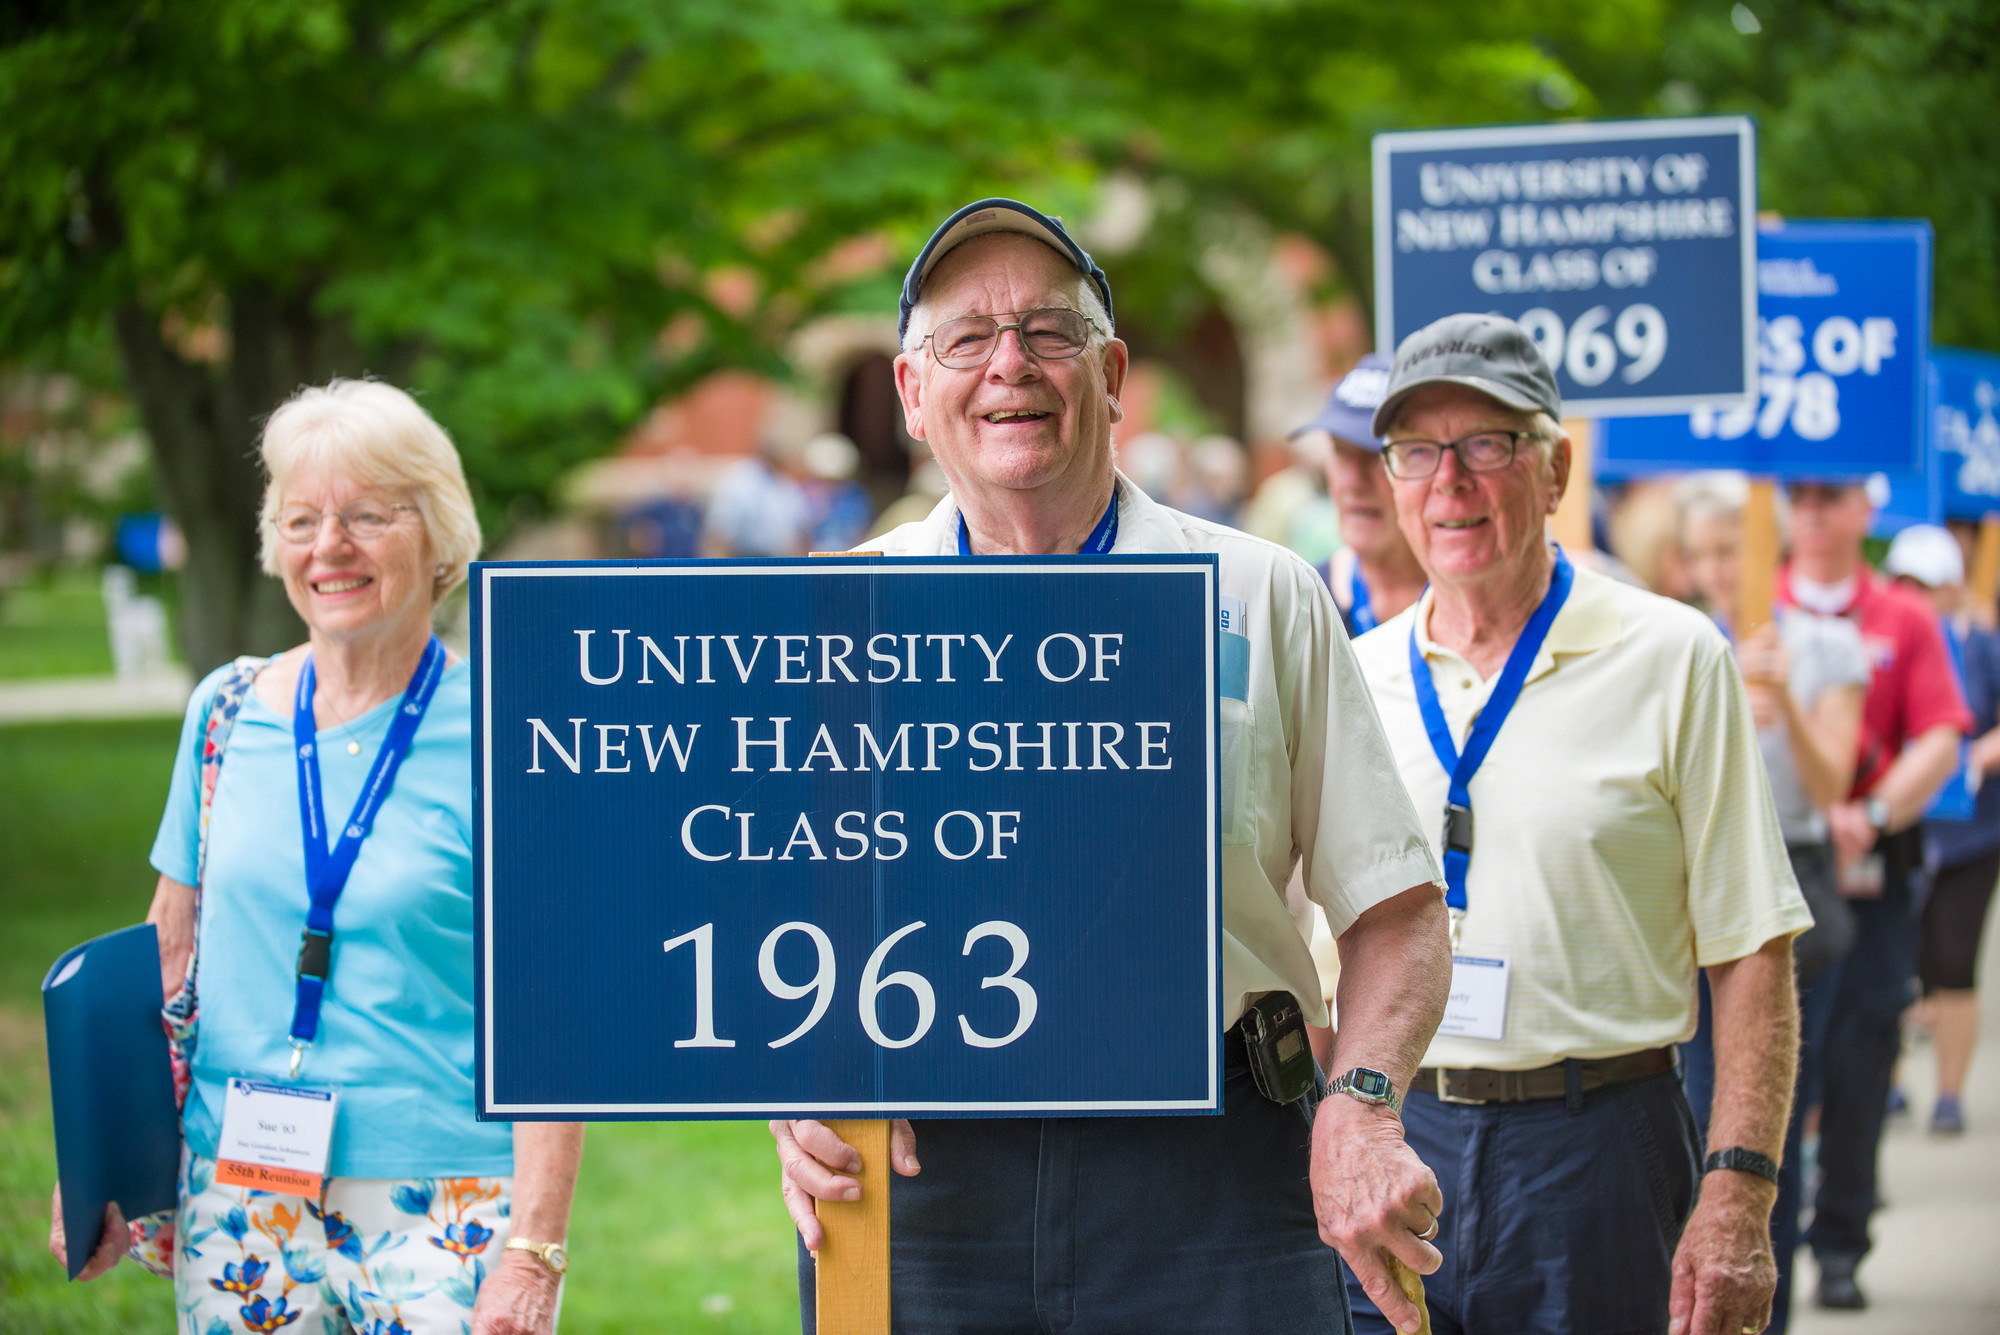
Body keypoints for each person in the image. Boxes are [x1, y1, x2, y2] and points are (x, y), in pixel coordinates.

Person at [770, 198, 1454, 1334]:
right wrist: (785, 1083)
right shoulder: (832, 616)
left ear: (1114, 374)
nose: (1009, 365)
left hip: (1216, 1171)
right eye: (965, 339)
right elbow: (762, 906)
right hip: (917, 1172)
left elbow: (1397, 909)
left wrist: (1364, 1103)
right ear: (910, 394)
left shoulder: (1261, 594)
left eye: (1048, 331)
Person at [49, 380, 584, 1335]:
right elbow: (166, 950)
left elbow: (554, 1015)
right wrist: (99, 1162)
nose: (329, 546)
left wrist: (534, 1250)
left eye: (367, 515)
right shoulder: (224, 711)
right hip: (238, 1189)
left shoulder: (510, 732)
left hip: (443, 1201)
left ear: (439, 534)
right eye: (301, 519)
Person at [1349, 314, 1814, 1335]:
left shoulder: (1673, 657)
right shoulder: (1356, 677)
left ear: (1555, 469)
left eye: (1486, 445)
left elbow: (1752, 946)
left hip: (1598, 1150)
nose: (1449, 481)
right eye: (1417, 450)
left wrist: (1740, 1190)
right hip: (1395, 1144)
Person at [1676, 475, 1867, 1333]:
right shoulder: (1675, 643)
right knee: (1694, 1110)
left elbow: (1832, 783)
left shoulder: (1826, 644)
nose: (1719, 569)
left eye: (1732, 549)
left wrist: (1780, 695)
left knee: (1769, 1115)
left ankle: (1768, 1305)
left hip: (1793, 877)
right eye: (1703, 554)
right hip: (1692, 892)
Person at [1780, 484, 1970, 1310]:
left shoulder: (1904, 617)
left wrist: (1876, 810)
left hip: (1872, 866)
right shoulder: (1756, 605)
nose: (1813, 510)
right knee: (1777, 1063)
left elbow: (1941, 735)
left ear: (1865, 506)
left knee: (1861, 1054)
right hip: (1782, 868)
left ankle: (1841, 1240)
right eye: (1799, 495)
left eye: (1832, 495)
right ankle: (1768, 1247)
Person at [1882, 524, 2000, 1136]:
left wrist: (1976, 755)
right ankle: (1889, 1083)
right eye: (1905, 584)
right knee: (1892, 961)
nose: (1917, 598)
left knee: (1953, 962)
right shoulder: (1879, 642)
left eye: (1927, 586)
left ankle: (1949, 1095)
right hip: (1898, 827)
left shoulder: (1982, 646)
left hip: (1969, 833)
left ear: (1952, 588)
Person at [1290, 354, 1427, 636]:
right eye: (1341, 451)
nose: (1353, 481)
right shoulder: (1301, 604)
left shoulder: (1472, 606)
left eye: (1377, 455)